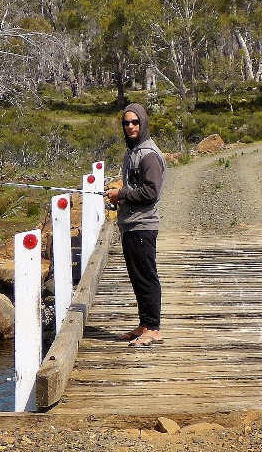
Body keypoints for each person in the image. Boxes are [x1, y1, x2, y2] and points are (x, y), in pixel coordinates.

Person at [105, 103, 166, 347]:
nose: (130, 126)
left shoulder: (148, 154)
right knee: (136, 277)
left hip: (143, 225)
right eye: (126, 123)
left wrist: (121, 195)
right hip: (131, 224)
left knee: (146, 277)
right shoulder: (133, 151)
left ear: (143, 123)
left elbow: (152, 191)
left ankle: (153, 328)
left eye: (135, 122)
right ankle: (144, 324)